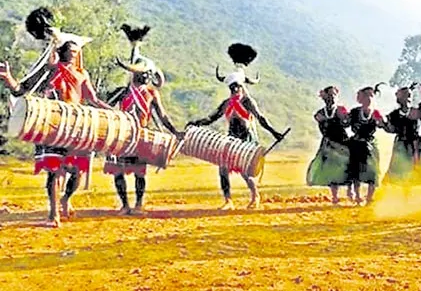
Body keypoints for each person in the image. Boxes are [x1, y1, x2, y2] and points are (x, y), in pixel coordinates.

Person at [0, 19, 112, 227]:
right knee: (55, 170)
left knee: (77, 172)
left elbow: (93, 99)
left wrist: (114, 113)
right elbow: (21, 90)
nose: (73, 53)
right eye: (69, 49)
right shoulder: (49, 71)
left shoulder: (82, 74)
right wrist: (8, 79)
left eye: (76, 50)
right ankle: (53, 215)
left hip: (77, 126)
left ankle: (65, 199)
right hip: (52, 124)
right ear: (61, 51)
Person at [187, 43, 285, 210]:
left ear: (242, 86)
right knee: (223, 169)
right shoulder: (226, 103)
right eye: (232, 87)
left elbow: (261, 118)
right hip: (231, 139)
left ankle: (255, 197)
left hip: (247, 139)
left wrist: (274, 133)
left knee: (246, 172)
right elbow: (212, 118)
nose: (234, 89)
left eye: (237, 86)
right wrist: (197, 122)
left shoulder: (247, 101)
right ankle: (228, 201)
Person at [103, 24, 184, 215]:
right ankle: (125, 204)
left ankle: (139, 204)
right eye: (143, 73)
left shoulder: (151, 93)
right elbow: (105, 108)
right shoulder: (122, 92)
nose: (146, 76)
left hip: (141, 135)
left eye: (148, 74)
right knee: (118, 171)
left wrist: (174, 131)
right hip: (121, 136)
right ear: (136, 74)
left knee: (140, 172)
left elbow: (161, 115)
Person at [306, 85, 354, 204]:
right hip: (329, 143)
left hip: (342, 141)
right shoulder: (320, 113)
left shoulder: (341, 110)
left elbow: (347, 124)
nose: (332, 98)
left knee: (347, 165)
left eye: (334, 95)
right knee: (331, 168)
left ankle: (350, 190)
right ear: (325, 97)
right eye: (330, 95)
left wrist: (346, 118)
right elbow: (320, 123)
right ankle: (334, 196)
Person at [347, 83, 386, 205]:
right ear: (361, 98)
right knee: (355, 171)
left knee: (372, 171)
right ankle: (357, 196)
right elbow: (345, 123)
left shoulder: (376, 113)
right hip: (356, 144)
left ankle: (369, 197)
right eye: (366, 96)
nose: (369, 99)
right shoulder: (354, 112)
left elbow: (383, 125)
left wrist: (382, 121)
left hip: (370, 144)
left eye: (371, 96)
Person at [383, 83, 420, 186]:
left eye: (409, 95)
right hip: (400, 144)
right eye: (405, 95)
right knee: (398, 168)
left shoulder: (416, 112)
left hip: (414, 144)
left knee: (413, 169)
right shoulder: (393, 115)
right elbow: (392, 129)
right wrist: (384, 125)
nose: (408, 98)